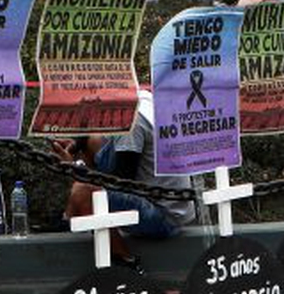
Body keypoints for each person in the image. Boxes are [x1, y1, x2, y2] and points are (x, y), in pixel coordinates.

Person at [54, 90, 193, 267]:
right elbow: (93, 137)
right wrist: (75, 145)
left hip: (165, 216)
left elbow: (121, 183)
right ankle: (70, 218)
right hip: (175, 204)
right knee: (94, 141)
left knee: (82, 191)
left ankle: (125, 260)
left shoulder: (131, 121)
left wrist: (75, 167)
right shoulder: (140, 99)